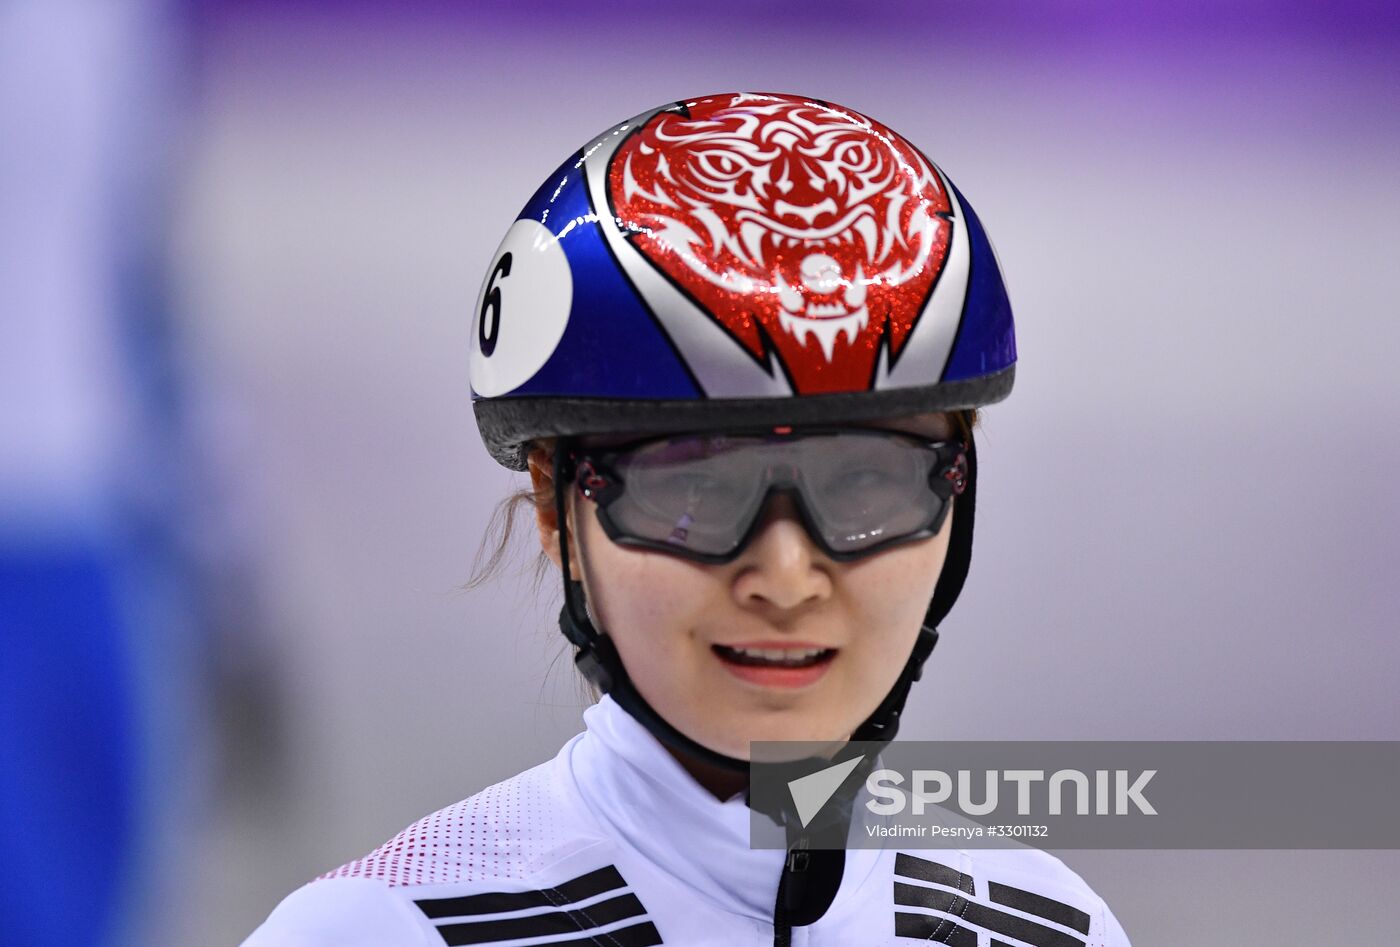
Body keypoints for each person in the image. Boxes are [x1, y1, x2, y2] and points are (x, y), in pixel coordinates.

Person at [243, 91, 1131, 946]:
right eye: (696, 487)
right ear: (558, 506)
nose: (785, 576)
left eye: (865, 484)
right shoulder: (379, 932)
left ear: (958, 496)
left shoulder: (1054, 928)